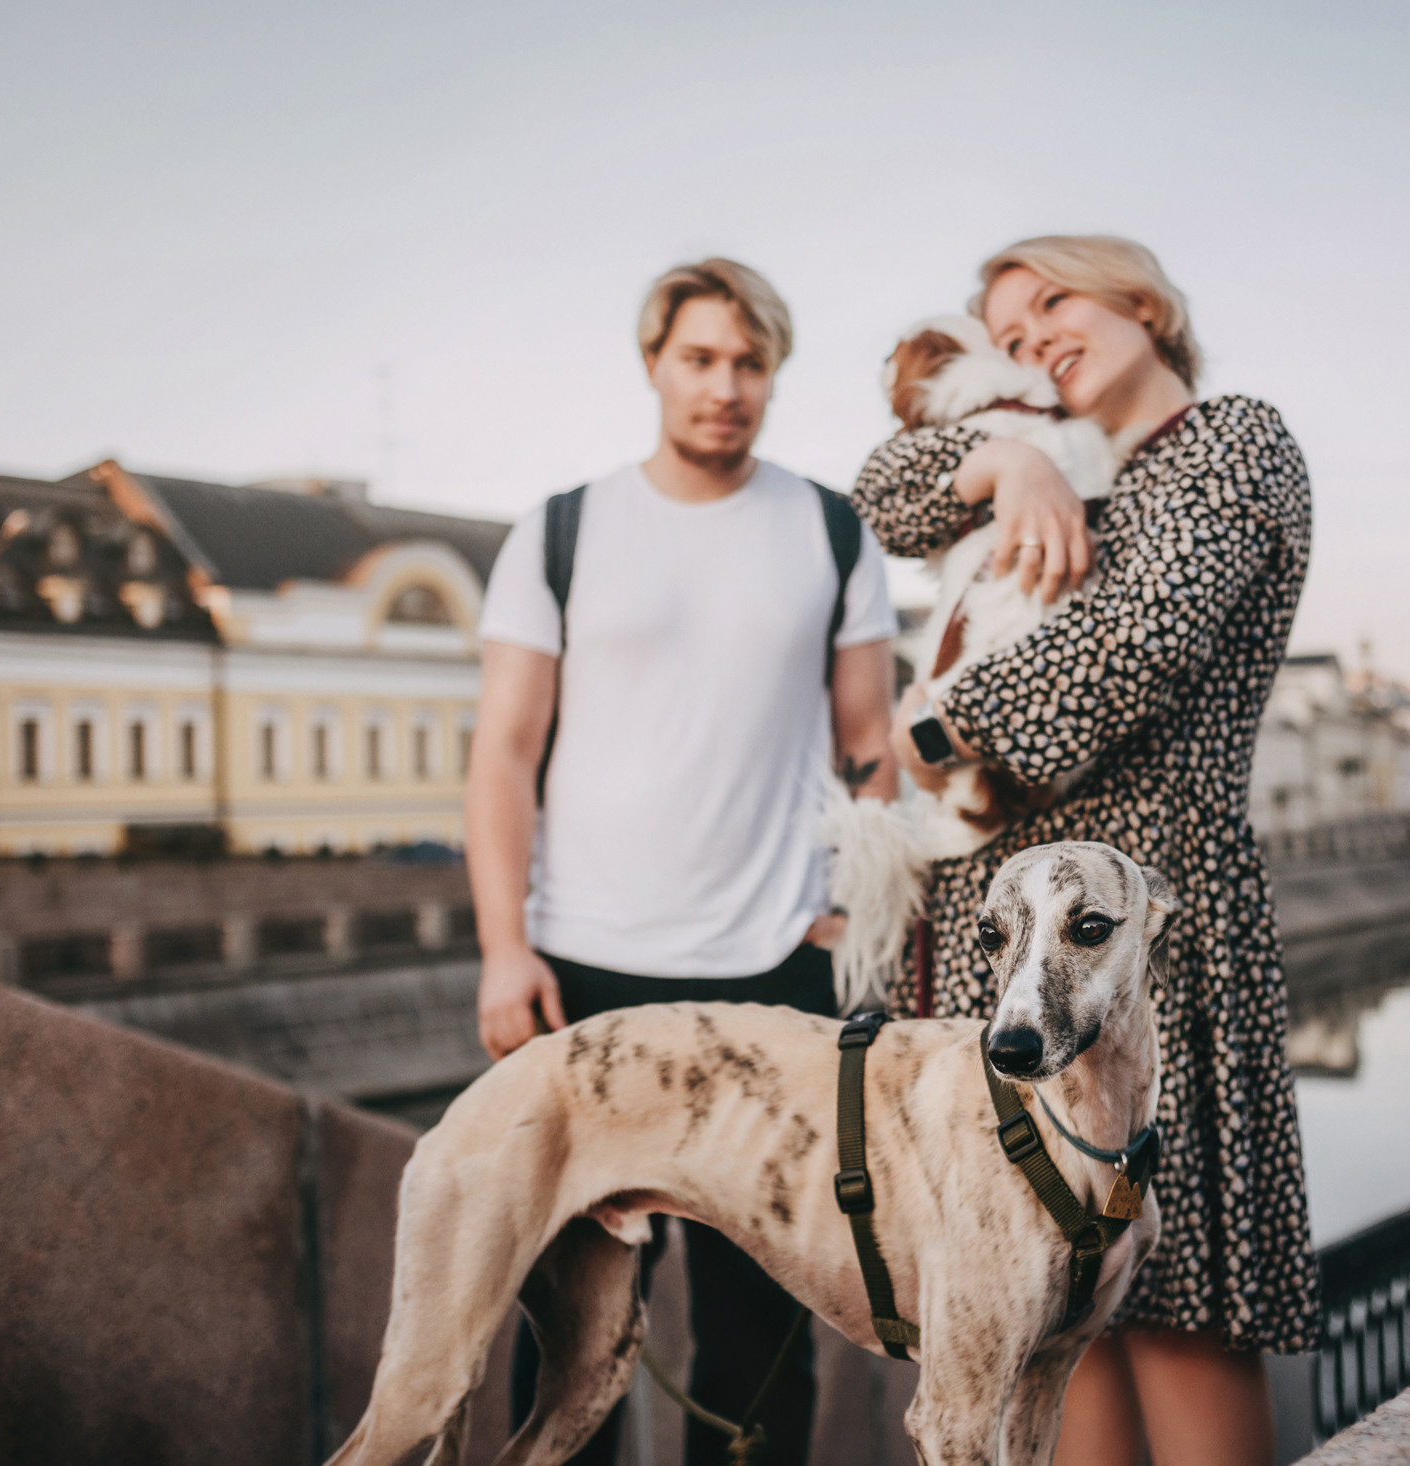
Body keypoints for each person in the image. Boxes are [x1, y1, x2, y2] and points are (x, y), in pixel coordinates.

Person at [853, 235, 1318, 1466]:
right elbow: (884, 491)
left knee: (1177, 1306)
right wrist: (1002, 456)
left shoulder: (1230, 442)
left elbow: (1140, 637)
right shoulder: (1046, 459)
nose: (1034, 337)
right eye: (1009, 330)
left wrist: (941, 722)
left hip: (1147, 922)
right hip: (1000, 936)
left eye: (1054, 300)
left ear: (1143, 303)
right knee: (1052, 1323)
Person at [466, 257, 900, 1466]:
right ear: (653, 362)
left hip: (769, 972)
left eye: (750, 363)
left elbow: (869, 744)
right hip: (582, 971)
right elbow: (502, 753)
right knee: (569, 1329)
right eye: (701, 359)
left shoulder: (828, 528)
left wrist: (849, 918)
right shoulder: (560, 529)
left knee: (762, 1330)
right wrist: (505, 946)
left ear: (774, 374)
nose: (726, 387)